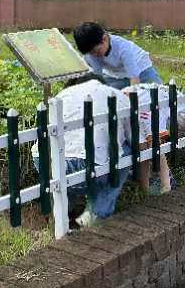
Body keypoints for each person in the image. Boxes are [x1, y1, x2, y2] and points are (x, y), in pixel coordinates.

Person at [31, 74, 132, 227]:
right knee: (127, 150)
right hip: (89, 169)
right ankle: (96, 213)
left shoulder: (61, 95)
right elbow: (134, 139)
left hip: (48, 166)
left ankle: (63, 209)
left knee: (60, 152)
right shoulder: (118, 96)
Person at [73, 22, 161, 90]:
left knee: (159, 93)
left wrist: (132, 97)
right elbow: (98, 79)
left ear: (104, 39)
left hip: (142, 72)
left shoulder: (122, 48)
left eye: (97, 51)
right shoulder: (91, 52)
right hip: (116, 76)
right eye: (91, 53)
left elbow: (134, 77)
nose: (95, 55)